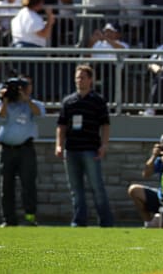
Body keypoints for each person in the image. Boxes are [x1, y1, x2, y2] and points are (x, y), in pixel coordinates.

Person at [55, 65, 114, 227]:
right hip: (72, 149)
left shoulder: (97, 101)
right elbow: (61, 126)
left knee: (97, 186)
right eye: (77, 77)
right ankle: (79, 220)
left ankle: (106, 221)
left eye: (82, 77)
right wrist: (59, 146)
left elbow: (105, 125)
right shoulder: (68, 101)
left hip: (90, 149)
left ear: (90, 80)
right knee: (76, 189)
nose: (79, 81)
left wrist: (104, 145)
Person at [0, 74, 44, 227]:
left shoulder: (33, 104)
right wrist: (5, 102)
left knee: (28, 185)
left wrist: (26, 100)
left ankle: (30, 218)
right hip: (6, 149)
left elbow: (39, 114)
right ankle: (8, 219)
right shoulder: (2, 104)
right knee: (6, 186)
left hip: (25, 149)